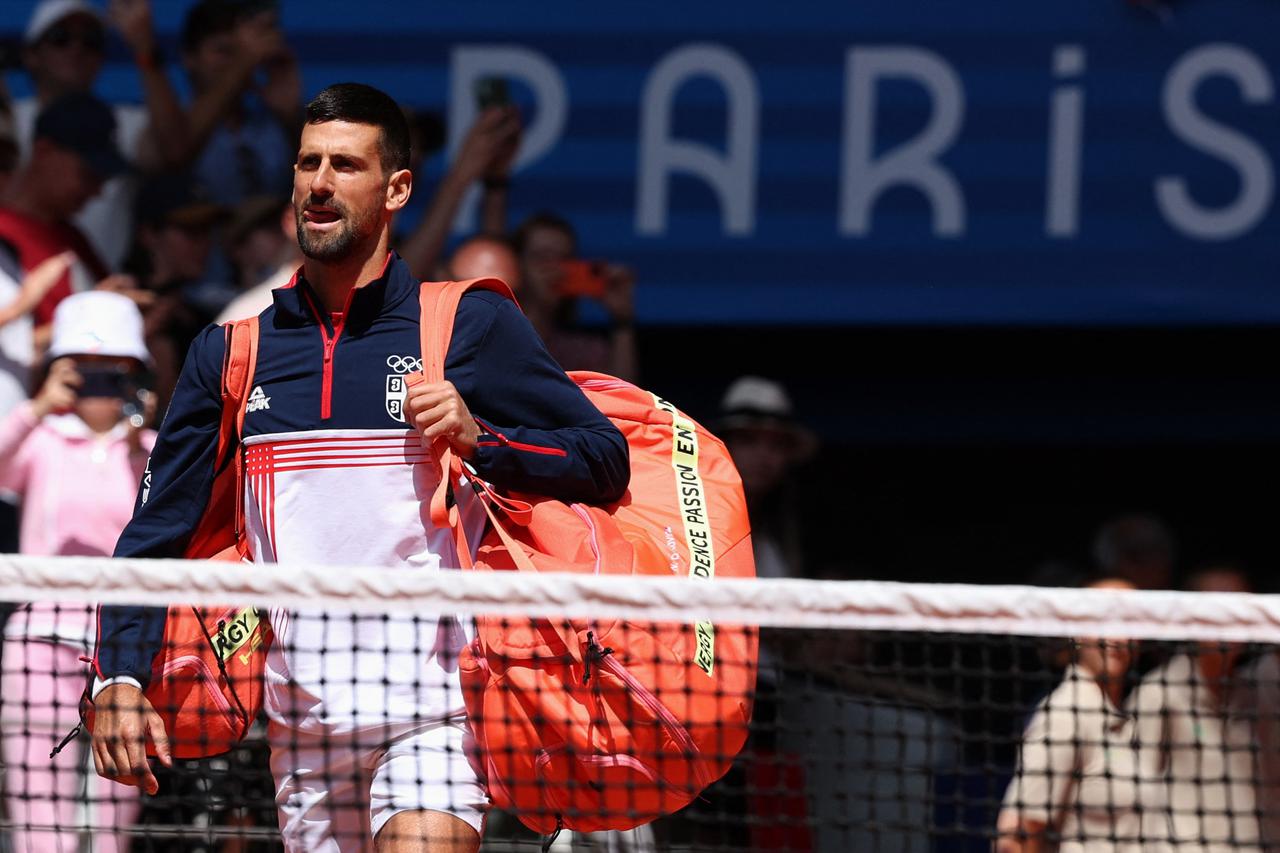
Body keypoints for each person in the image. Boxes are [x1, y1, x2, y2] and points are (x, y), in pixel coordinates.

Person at [91, 82, 630, 853]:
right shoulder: (231, 352)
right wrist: (119, 675)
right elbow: (154, 534)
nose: (319, 181)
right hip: (303, 726)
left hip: (436, 713)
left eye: (345, 164)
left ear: (397, 188)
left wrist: (484, 440)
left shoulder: (466, 321)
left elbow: (603, 460)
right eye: (308, 162)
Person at [0, 290, 155, 853]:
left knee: (117, 799)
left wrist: (146, 439)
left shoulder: (151, 450)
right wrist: (37, 406)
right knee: (35, 799)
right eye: (83, 372)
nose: (98, 385)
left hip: (121, 648)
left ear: (138, 374)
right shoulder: (38, 440)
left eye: (115, 372)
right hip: (38, 639)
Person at [11, 0, 189, 269]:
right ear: (31, 54)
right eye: (61, 38)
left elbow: (175, 153)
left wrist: (145, 49)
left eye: (91, 41)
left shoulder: (122, 121)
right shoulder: (8, 120)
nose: (77, 49)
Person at [996, 575, 1143, 853]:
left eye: (1129, 622)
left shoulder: (1130, 716)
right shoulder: (1065, 714)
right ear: (1076, 631)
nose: (1118, 637)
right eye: (1104, 621)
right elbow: (1015, 835)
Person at [1128, 566, 1263, 851]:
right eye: (1217, 608)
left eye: (1239, 607)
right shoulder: (1158, 693)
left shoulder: (1256, 694)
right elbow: (1134, 797)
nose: (1230, 619)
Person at [717, 376, 817, 581]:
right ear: (723, 445)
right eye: (748, 440)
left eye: (776, 444)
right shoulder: (695, 515)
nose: (764, 456)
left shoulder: (787, 527)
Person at [1091, 512, 1176, 590]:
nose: (1147, 560)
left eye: (1156, 550)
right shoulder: (1108, 591)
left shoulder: (1185, 592)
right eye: (1135, 555)